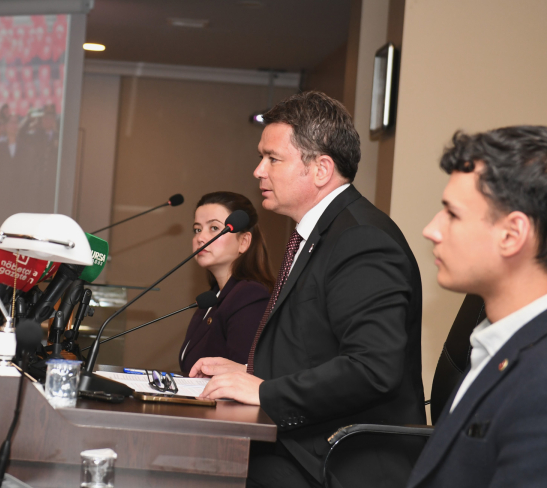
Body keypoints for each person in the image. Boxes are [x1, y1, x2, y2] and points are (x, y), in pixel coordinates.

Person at [190, 92, 425, 488]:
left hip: (343, 460)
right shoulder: (322, 232)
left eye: (272, 159)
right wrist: (250, 373)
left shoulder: (361, 239)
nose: (258, 171)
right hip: (309, 442)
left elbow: (372, 369)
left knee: (201, 470)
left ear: (321, 169)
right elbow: (317, 348)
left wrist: (266, 391)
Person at [407, 126, 547, 488]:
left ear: (511, 235)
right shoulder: (498, 342)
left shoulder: (540, 382)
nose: (431, 229)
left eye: (452, 214)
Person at [179, 192, 274, 376]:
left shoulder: (250, 296)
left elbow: (246, 377)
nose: (201, 238)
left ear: (244, 242)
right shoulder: (213, 298)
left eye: (214, 228)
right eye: (197, 229)